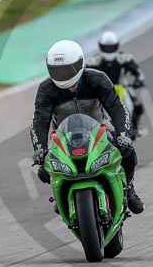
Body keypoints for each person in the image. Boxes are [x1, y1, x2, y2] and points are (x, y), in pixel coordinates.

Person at [31, 40, 145, 214]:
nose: (62, 75)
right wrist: (40, 148)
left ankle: (129, 188)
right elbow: (39, 120)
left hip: (100, 127)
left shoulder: (97, 79)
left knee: (127, 151)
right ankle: (61, 191)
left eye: (67, 69)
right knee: (43, 171)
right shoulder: (46, 89)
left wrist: (123, 134)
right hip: (64, 136)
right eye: (57, 70)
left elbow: (117, 107)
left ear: (80, 64)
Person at [86, 31, 146, 132]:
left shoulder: (124, 58)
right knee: (89, 107)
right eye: (106, 47)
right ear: (101, 47)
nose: (109, 50)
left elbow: (137, 71)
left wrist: (139, 80)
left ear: (117, 46)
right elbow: (84, 74)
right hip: (102, 90)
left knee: (136, 105)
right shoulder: (94, 61)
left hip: (122, 87)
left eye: (111, 47)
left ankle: (134, 127)